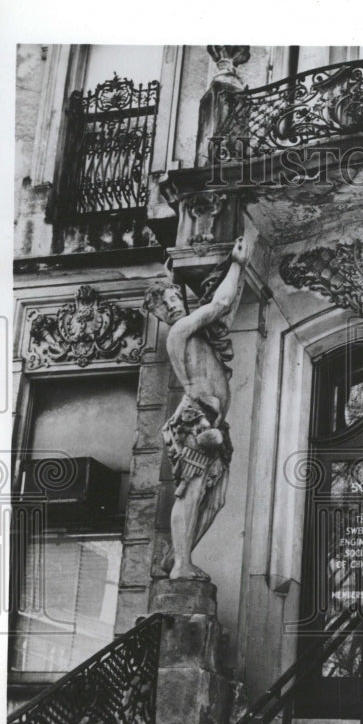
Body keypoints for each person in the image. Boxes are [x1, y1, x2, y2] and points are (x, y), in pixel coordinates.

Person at [143, 235, 250, 579]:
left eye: (175, 298)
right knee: (190, 494)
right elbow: (220, 304)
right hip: (194, 422)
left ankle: (176, 557)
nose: (173, 305)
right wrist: (237, 263)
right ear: (158, 314)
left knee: (214, 500)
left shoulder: (200, 336)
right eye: (165, 304)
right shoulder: (179, 333)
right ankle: (182, 566)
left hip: (214, 423)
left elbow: (222, 312)